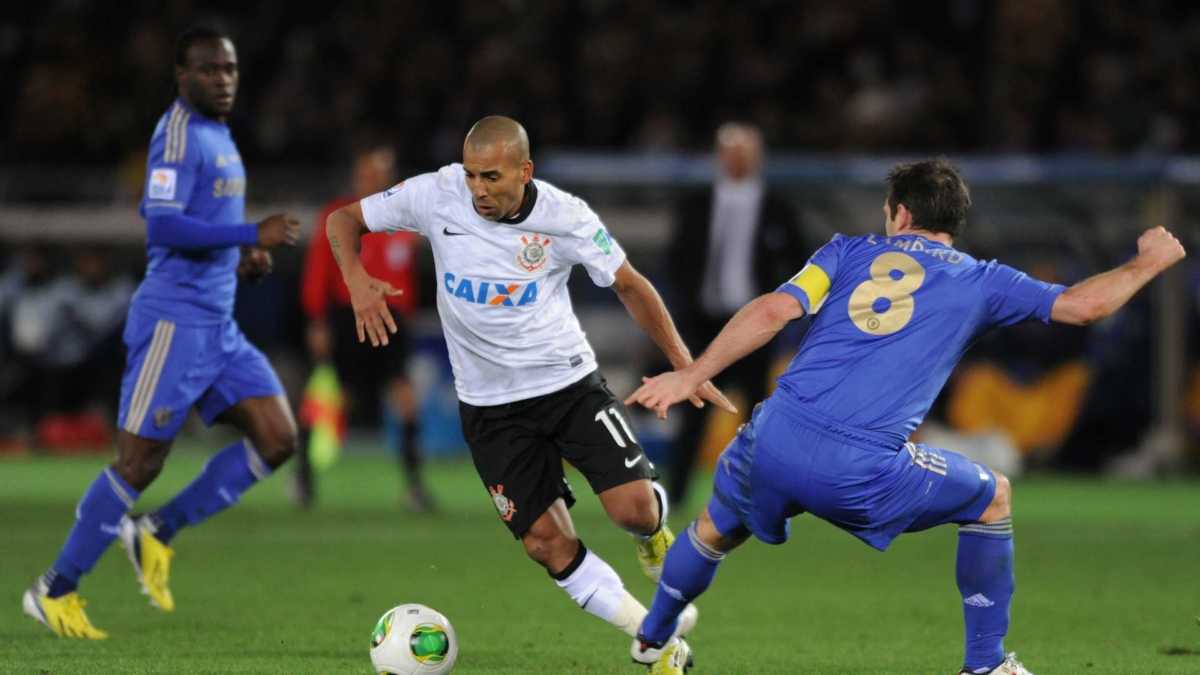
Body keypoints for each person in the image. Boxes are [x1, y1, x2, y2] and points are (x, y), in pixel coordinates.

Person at [624, 158, 1186, 674]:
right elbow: (1085, 307)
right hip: (858, 465)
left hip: (774, 434)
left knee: (715, 527)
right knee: (992, 497)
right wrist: (1149, 262)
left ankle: (652, 639)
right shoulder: (982, 279)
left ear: (900, 212)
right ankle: (986, 665)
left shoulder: (843, 252)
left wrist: (693, 374)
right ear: (953, 221)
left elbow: (774, 309)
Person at [325, 116, 734, 643]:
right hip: (489, 408)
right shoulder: (437, 193)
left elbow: (630, 286)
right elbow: (342, 221)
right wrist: (356, 280)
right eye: (472, 175)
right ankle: (653, 634)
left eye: (491, 177)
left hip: (567, 387)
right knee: (546, 542)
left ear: (525, 171)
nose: (477, 189)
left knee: (633, 511)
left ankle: (653, 536)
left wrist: (686, 364)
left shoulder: (567, 217)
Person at [22, 26, 302, 639]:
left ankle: (157, 531)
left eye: (229, 69)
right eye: (209, 71)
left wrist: (241, 258)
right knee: (138, 462)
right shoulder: (176, 134)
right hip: (174, 324)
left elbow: (207, 224)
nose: (223, 81)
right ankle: (54, 589)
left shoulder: (219, 134)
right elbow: (165, 227)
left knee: (279, 439)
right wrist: (250, 235)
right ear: (182, 78)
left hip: (218, 325)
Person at [665, 122, 807, 509]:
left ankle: (758, 495)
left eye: (745, 150)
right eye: (730, 149)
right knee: (692, 411)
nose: (737, 158)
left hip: (756, 326)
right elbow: (678, 261)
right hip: (704, 324)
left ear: (758, 156)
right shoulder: (697, 203)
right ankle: (674, 497)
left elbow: (801, 263)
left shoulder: (778, 207)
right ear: (720, 155)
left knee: (759, 415)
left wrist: (785, 313)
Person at [298, 143, 431, 510]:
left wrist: (409, 317)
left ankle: (415, 486)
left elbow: (408, 278)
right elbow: (318, 273)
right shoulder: (338, 217)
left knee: (405, 400)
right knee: (332, 399)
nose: (374, 177)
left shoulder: (404, 222)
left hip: (394, 320)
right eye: (369, 171)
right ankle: (303, 478)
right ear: (358, 175)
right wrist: (318, 321)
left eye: (381, 171)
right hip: (349, 316)